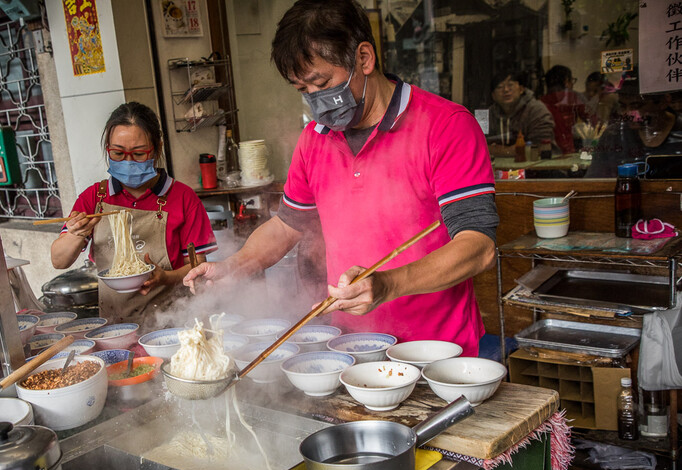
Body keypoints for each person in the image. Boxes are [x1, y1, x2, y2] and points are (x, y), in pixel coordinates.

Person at [184, 0, 498, 356]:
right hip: (350, 349)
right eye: (303, 91)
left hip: (439, 351)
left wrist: (388, 284)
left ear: (364, 58)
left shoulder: (446, 126)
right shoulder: (315, 140)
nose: (316, 101)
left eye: (321, 82)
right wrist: (232, 267)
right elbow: (288, 227)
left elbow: (478, 247)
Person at [51, 101, 217, 323]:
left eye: (138, 153)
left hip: (172, 322)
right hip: (115, 327)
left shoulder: (183, 198)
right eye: (118, 153)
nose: (128, 162)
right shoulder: (95, 198)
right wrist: (76, 234)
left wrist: (165, 278)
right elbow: (59, 261)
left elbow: (198, 266)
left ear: (156, 148)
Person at [587, 69, 682, 178]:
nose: (628, 114)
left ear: (663, 101)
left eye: (636, 106)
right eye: (623, 106)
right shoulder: (614, 135)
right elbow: (595, 180)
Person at [486, 70, 555, 157]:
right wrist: (508, 151)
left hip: (535, 167)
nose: (506, 90)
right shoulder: (485, 114)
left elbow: (539, 146)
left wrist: (496, 150)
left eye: (510, 85)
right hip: (496, 168)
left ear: (521, 89)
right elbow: (476, 146)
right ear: (493, 96)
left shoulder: (537, 109)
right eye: (500, 87)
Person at [540, 65, 587, 154]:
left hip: (547, 151)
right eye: (571, 80)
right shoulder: (573, 98)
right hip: (568, 150)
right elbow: (591, 119)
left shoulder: (540, 103)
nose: (572, 84)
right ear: (566, 81)